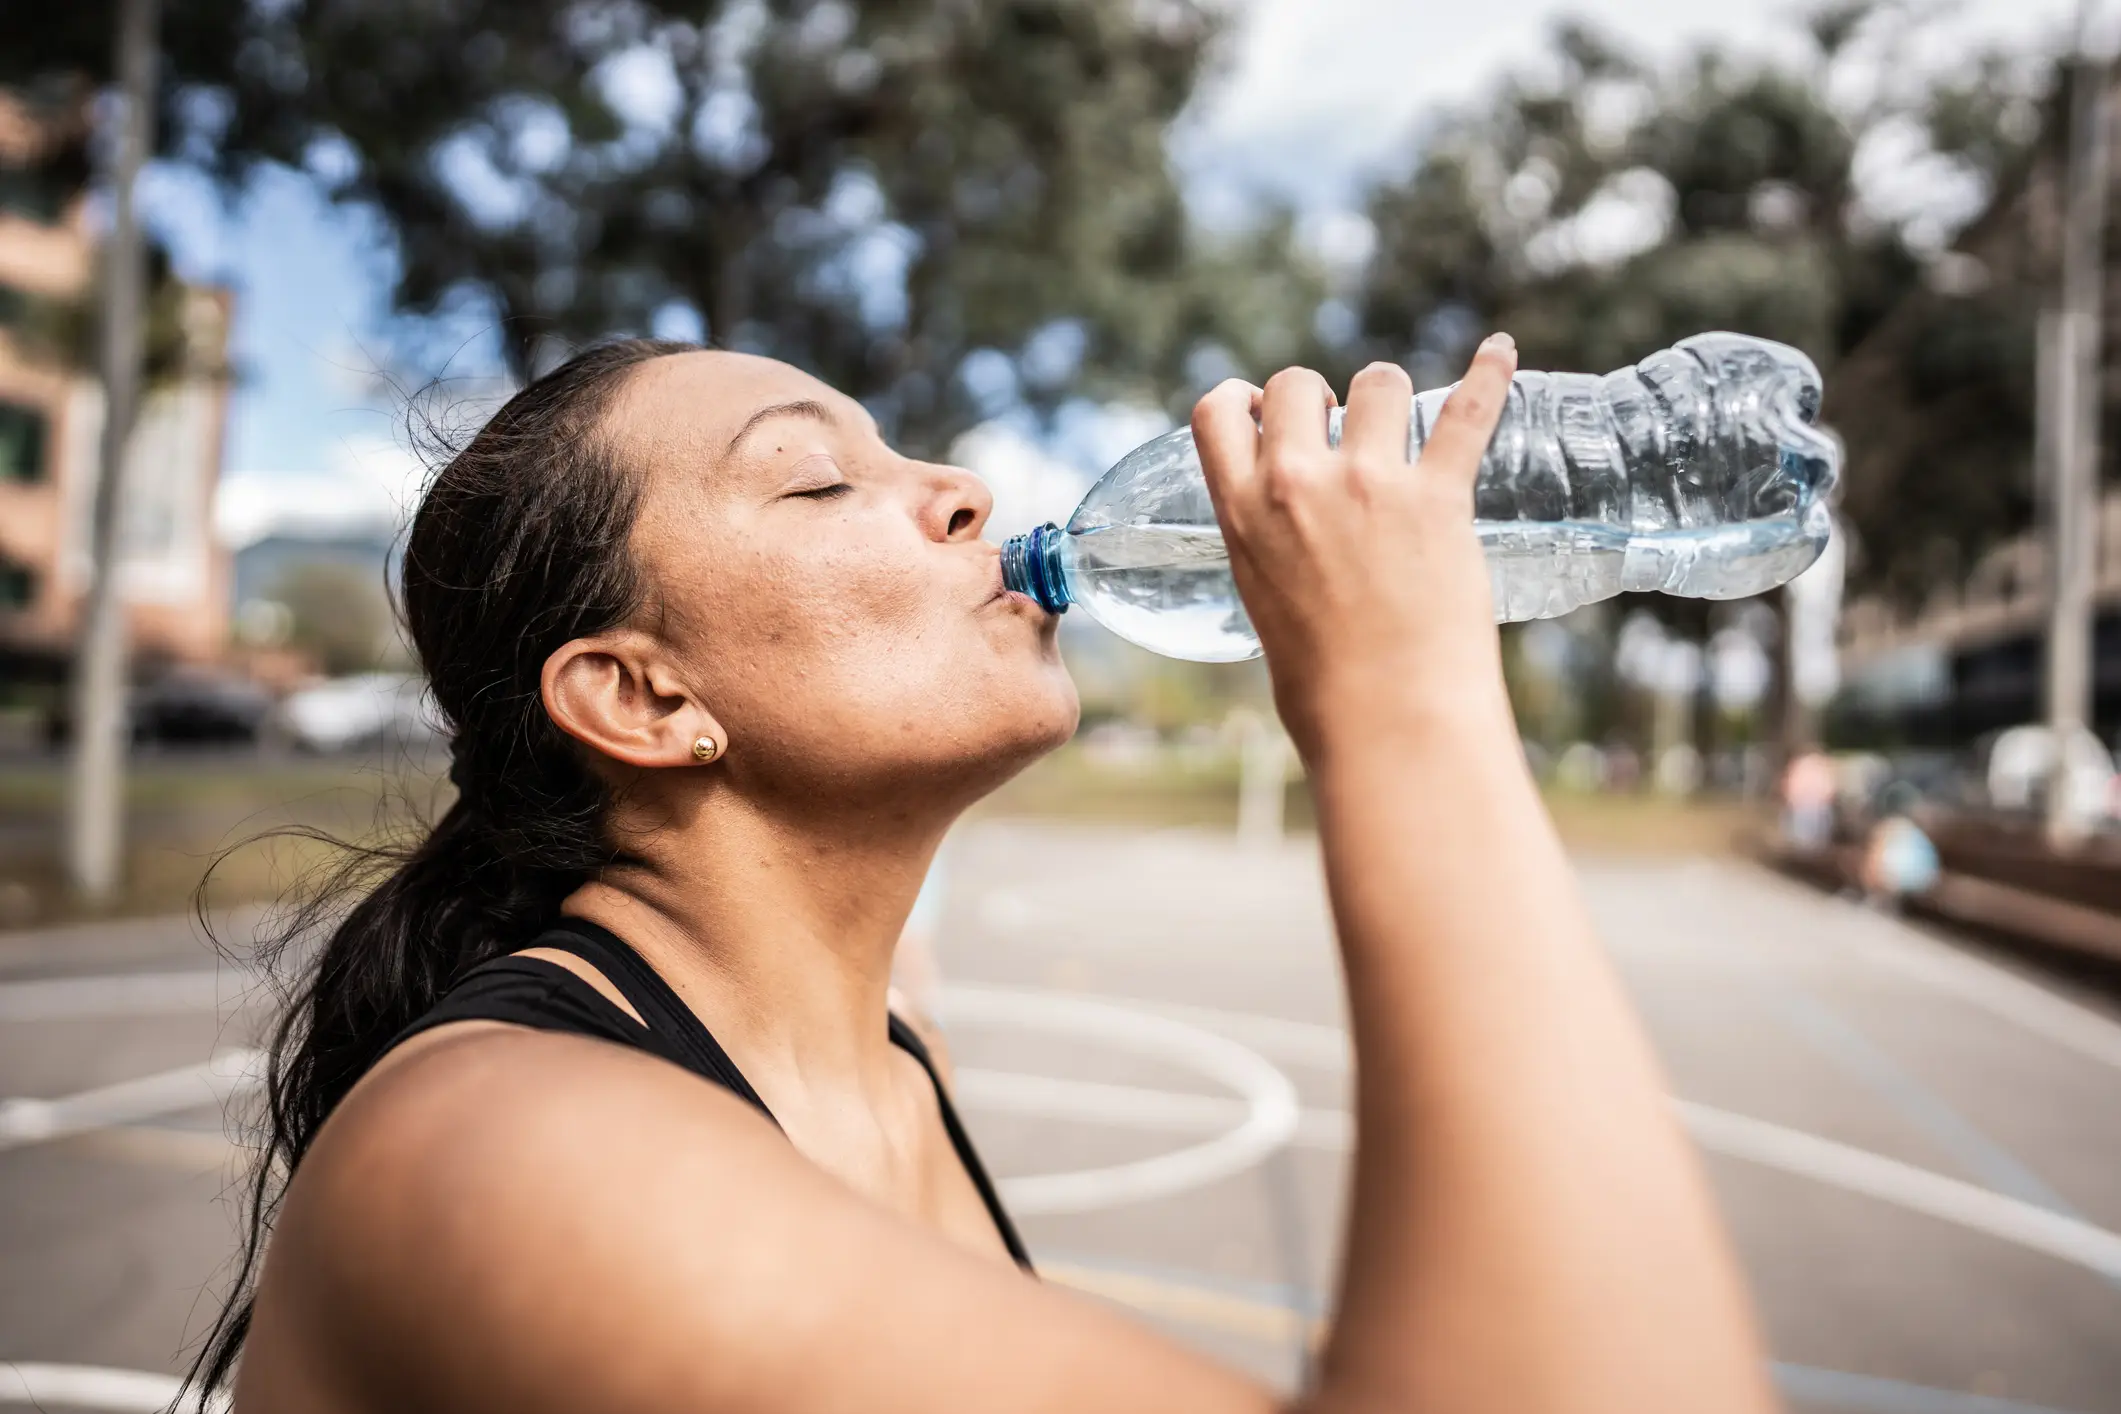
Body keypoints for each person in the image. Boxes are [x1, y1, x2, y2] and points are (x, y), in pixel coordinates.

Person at [194, 335, 1776, 1413]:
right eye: (817, 480)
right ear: (643, 696)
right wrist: (1400, 695)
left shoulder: (882, 1063)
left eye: (904, 454)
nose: (958, 488)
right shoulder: (503, 1152)